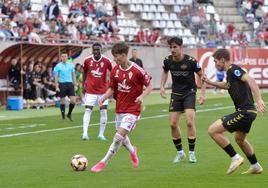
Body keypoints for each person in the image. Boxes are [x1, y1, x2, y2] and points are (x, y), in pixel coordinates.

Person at [91, 42, 153, 173]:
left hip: (133, 110)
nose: (114, 59)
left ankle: (103, 162)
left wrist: (142, 96)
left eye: (116, 56)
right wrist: (104, 97)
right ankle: (132, 150)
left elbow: (150, 86)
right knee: (122, 138)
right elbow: (112, 88)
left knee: (118, 137)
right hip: (120, 108)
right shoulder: (115, 70)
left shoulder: (137, 70)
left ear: (124, 55)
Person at [202, 49, 266, 175]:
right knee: (240, 140)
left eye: (215, 61)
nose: (215, 64)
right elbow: (227, 85)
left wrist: (259, 99)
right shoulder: (230, 73)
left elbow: (251, 80)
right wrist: (209, 81)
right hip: (249, 112)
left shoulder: (233, 68)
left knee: (213, 130)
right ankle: (256, 166)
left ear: (222, 60)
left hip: (245, 112)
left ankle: (235, 157)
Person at [159, 37, 206, 164]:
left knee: (190, 122)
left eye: (175, 47)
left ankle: (192, 153)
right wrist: (162, 86)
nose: (172, 49)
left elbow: (202, 75)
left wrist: (202, 93)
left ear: (181, 47)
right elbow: (164, 71)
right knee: (173, 124)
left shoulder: (190, 61)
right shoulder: (167, 60)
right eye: (171, 47)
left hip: (189, 93)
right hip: (176, 94)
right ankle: (180, 153)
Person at [82, 42, 113, 141]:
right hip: (90, 91)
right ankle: (85, 134)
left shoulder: (107, 61)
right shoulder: (87, 60)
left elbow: (113, 72)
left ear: (101, 50)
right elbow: (84, 72)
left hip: (103, 92)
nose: (96, 51)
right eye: (94, 50)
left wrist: (112, 86)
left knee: (103, 112)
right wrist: (83, 84)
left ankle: (101, 134)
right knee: (87, 110)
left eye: (97, 50)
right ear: (92, 50)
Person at [53, 51, 76, 121]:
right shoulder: (58, 66)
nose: (64, 58)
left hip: (70, 84)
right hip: (62, 84)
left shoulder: (71, 65)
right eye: (62, 56)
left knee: (73, 101)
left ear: (67, 57)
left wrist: (75, 84)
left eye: (65, 56)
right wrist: (56, 86)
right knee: (62, 102)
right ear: (61, 58)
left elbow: (73, 75)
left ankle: (69, 114)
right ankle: (63, 116)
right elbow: (56, 77)